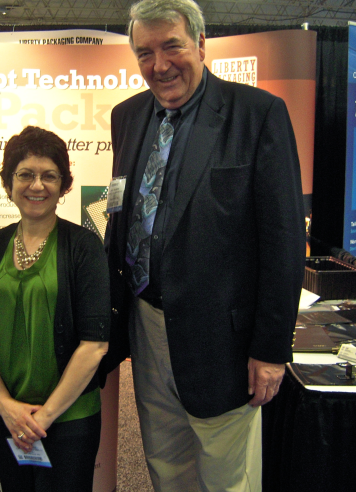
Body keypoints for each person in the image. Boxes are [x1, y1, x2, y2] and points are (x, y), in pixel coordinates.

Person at [103, 1, 305, 490]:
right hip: (147, 325)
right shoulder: (127, 116)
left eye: (171, 46)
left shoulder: (257, 114)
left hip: (223, 341)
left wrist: (271, 349)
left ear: (200, 43)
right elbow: (122, 212)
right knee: (165, 466)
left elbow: (283, 241)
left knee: (226, 477)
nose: (159, 65)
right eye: (144, 52)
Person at [0, 126, 110, 492]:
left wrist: (43, 417)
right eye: (25, 174)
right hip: (9, 415)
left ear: (64, 185)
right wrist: (5, 405)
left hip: (69, 417)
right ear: (8, 183)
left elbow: (94, 345)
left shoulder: (84, 247)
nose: (37, 185)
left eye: (49, 176)